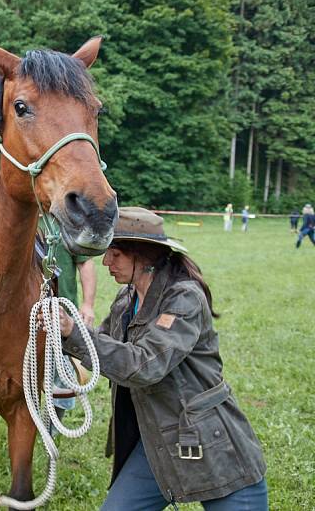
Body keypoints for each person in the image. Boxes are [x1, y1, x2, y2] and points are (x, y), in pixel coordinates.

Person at [60, 207, 268, 510]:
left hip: (213, 443)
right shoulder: (126, 299)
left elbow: (143, 366)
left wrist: (74, 335)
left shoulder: (184, 298)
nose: (106, 262)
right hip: (156, 440)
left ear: (142, 256)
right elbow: (100, 347)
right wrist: (58, 332)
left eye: (115, 254)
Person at [50, 242, 95, 433]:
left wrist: (88, 303)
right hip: (21, 317)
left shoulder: (68, 221)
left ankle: (53, 427)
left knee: (63, 377)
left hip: (63, 317)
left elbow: (85, 263)